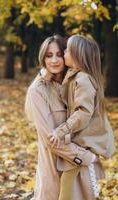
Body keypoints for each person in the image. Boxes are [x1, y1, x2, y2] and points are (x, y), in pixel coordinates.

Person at [25, 35, 98, 200]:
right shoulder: (37, 91)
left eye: (59, 54)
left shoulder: (76, 82)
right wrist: (86, 157)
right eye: (49, 55)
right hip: (55, 165)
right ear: (42, 58)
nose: (54, 60)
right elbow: (50, 139)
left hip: (77, 167)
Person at [49, 35, 115, 200]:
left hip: (87, 141)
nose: (63, 52)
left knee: (72, 186)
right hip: (82, 141)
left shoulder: (83, 79)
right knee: (73, 184)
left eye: (66, 50)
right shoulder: (76, 76)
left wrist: (61, 131)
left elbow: (83, 113)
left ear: (77, 55)